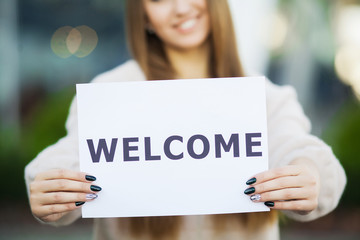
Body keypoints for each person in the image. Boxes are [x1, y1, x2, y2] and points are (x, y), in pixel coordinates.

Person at [25, 0, 346, 239]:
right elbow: (70, 154)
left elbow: (297, 147)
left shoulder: (265, 96)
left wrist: (308, 174)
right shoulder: (110, 92)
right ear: (144, 15)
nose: (179, 8)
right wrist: (51, 184)